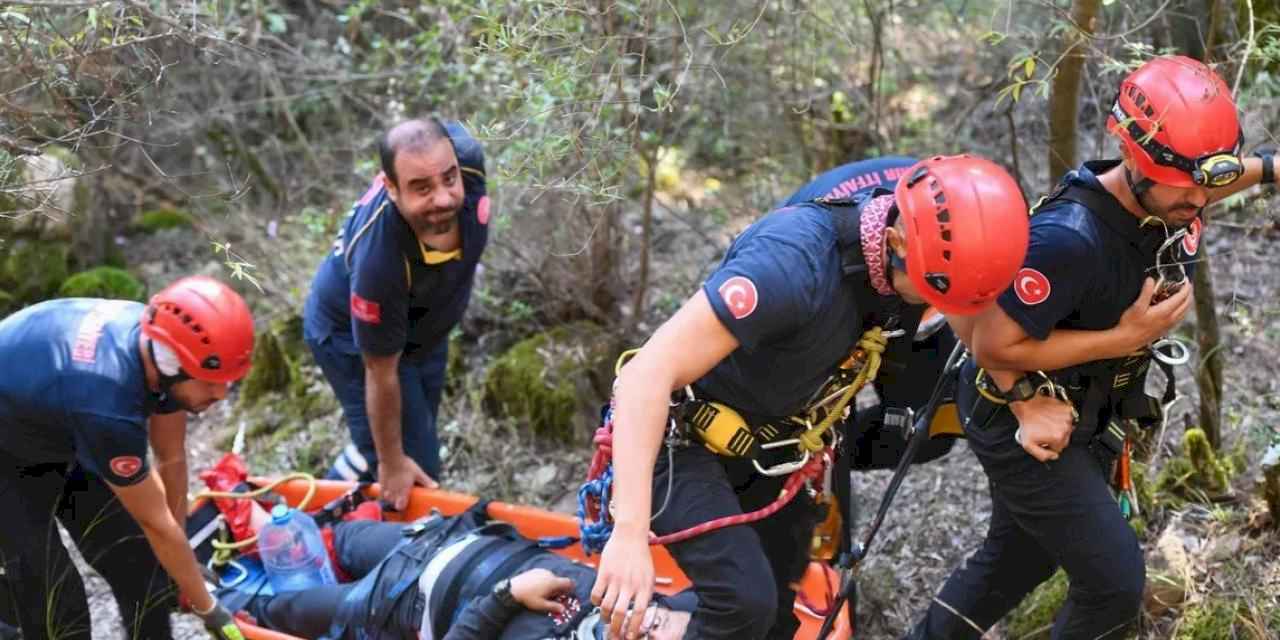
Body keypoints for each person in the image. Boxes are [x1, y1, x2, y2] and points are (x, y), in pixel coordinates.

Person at [906, 55, 1277, 639]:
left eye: (1209, 184)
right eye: (1186, 189)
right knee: (1114, 582)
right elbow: (993, 346)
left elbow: (1212, 177)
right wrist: (1126, 338)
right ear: (1136, 159)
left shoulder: (1175, 190)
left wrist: (1272, 168)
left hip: (1087, 413)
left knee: (1019, 559)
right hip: (1019, 420)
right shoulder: (1069, 240)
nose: (1200, 203)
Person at [590, 153, 1032, 640]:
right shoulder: (791, 264)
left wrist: (1026, 400)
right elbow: (645, 375)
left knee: (777, 612)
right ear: (895, 241)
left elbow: (971, 325)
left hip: (770, 448)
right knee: (743, 604)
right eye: (929, 295)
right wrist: (628, 534)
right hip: (682, 440)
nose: (931, 310)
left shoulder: (911, 263)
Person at [0, 276, 252, 640]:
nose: (221, 393)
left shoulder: (161, 352)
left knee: (140, 564)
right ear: (172, 363)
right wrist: (209, 609)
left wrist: (179, 569)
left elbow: (171, 459)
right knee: (57, 606)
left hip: (54, 425)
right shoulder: (109, 406)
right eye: (210, 381)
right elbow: (155, 523)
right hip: (8, 454)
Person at [303, 117, 490, 509]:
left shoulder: (467, 161)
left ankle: (351, 472)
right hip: (351, 338)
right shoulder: (379, 261)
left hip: (424, 328)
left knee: (416, 435)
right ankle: (327, 522)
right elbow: (381, 372)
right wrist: (390, 462)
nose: (442, 198)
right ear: (390, 188)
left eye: (448, 179)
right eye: (421, 188)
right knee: (413, 469)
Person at [221, 507, 696, 640]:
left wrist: (509, 595)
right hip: (444, 540)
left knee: (282, 609)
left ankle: (216, 593)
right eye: (654, 619)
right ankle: (242, 512)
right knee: (341, 536)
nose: (638, 625)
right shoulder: (627, 595)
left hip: (398, 602)